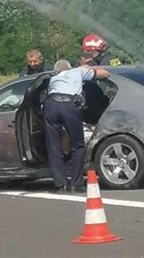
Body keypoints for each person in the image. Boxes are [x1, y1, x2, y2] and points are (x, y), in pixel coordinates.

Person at [43, 60, 109, 193]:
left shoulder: (53, 79)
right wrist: (88, 68)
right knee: (78, 146)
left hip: (50, 105)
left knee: (54, 147)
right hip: (69, 105)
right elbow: (105, 73)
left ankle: (61, 185)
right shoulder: (78, 71)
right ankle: (76, 183)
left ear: (56, 71)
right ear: (70, 67)